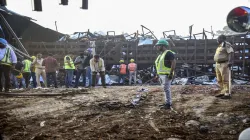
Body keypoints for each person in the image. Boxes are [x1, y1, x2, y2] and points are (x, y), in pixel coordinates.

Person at [155, 39, 176, 109]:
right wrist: (157, 74)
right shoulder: (161, 55)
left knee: (166, 89)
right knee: (165, 89)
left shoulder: (168, 53)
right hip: (161, 75)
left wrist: (171, 73)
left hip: (166, 75)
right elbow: (159, 65)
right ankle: (167, 102)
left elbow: (173, 62)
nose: (157, 47)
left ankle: (168, 104)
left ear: (163, 46)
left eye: (158, 46)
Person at [214, 35, 234, 99]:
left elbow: (231, 53)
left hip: (224, 64)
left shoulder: (226, 44)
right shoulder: (220, 45)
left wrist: (230, 62)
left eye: (218, 38)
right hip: (218, 64)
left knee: (225, 79)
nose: (217, 40)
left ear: (222, 39)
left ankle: (227, 94)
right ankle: (223, 92)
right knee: (219, 79)